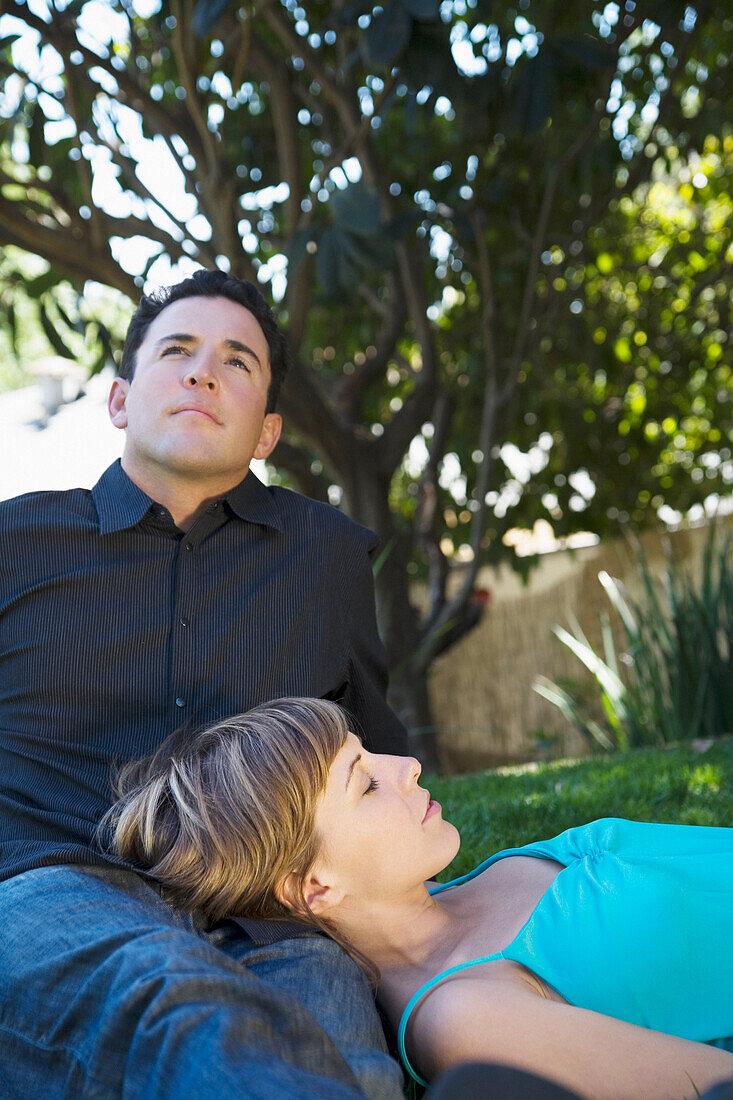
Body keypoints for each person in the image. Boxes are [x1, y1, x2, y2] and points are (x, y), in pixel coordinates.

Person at [0, 270, 408, 1098]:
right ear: (119, 400)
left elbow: (373, 747)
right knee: (180, 1005)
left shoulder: (324, 554)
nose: (202, 373)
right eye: (177, 351)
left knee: (352, 1065)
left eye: (237, 361)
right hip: (56, 884)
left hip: (271, 907)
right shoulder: (15, 543)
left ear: (266, 431)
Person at [106, 697, 733, 1100]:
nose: (406, 765)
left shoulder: (462, 890)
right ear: (313, 887)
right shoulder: (466, 1016)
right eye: (366, 784)